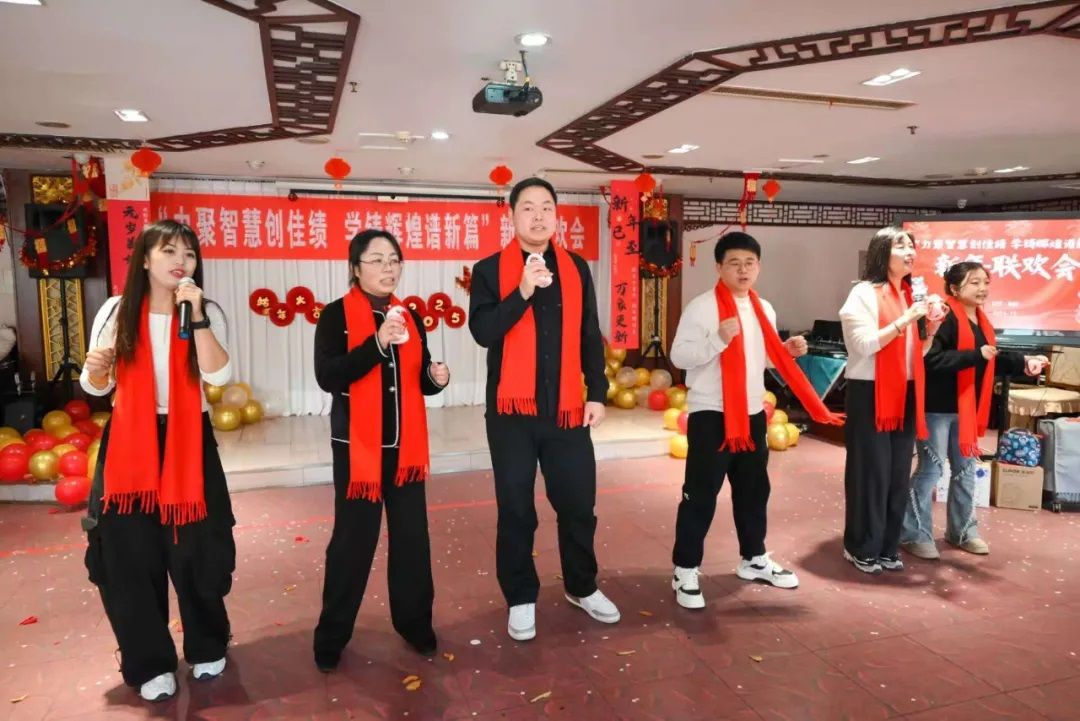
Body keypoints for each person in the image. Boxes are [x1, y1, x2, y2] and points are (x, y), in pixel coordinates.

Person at [80, 220, 234, 702]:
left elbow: (219, 376)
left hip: (190, 441)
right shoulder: (117, 310)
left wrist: (198, 316)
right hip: (132, 441)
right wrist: (96, 370)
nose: (180, 261)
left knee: (197, 550)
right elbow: (96, 384)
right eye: (168, 251)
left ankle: (207, 644)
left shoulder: (205, 309)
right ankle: (149, 662)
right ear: (145, 260)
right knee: (130, 555)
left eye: (188, 253)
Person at [469, 177, 617, 641]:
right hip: (510, 415)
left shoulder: (576, 268)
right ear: (511, 215)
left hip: (567, 410)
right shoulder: (489, 270)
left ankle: (582, 585)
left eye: (546, 207)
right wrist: (523, 292)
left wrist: (597, 391)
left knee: (578, 505)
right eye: (528, 208)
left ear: (557, 215)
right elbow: (483, 332)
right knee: (516, 509)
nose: (538, 216)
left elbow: (589, 334)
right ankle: (520, 597)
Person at [668, 232, 844, 607]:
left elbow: (756, 358)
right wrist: (718, 339)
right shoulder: (702, 307)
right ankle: (685, 568)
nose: (743, 270)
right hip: (711, 413)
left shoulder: (763, 307)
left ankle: (753, 558)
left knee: (753, 491)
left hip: (751, 412)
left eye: (749, 263)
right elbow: (679, 357)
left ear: (759, 267)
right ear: (719, 267)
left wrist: (785, 352)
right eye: (734, 263)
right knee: (700, 495)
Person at [312, 229, 449, 671]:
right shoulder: (335, 316)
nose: (388, 268)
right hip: (358, 451)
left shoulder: (409, 315)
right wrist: (377, 344)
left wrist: (436, 379)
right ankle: (332, 636)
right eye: (377, 260)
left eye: (394, 260)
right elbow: (329, 376)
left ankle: (415, 625)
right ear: (356, 268)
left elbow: (419, 380)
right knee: (352, 544)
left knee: (412, 542)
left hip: (405, 452)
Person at [901, 261, 1048, 558]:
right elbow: (930, 360)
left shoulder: (981, 320)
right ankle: (914, 535)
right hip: (937, 408)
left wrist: (1025, 362)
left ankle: (963, 532)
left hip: (965, 410)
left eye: (985, 282)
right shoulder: (941, 316)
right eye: (975, 282)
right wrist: (974, 356)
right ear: (955, 288)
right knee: (931, 470)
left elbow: (990, 357)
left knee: (966, 470)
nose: (983, 289)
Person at [838, 226, 942, 574]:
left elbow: (916, 353)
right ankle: (860, 546)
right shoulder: (863, 293)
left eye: (912, 246)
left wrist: (930, 330)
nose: (910, 251)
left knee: (897, 474)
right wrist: (905, 319)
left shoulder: (907, 294)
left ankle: (886, 545)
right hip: (870, 392)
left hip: (905, 390)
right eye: (901, 245)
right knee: (871, 473)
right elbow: (863, 346)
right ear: (882, 251)